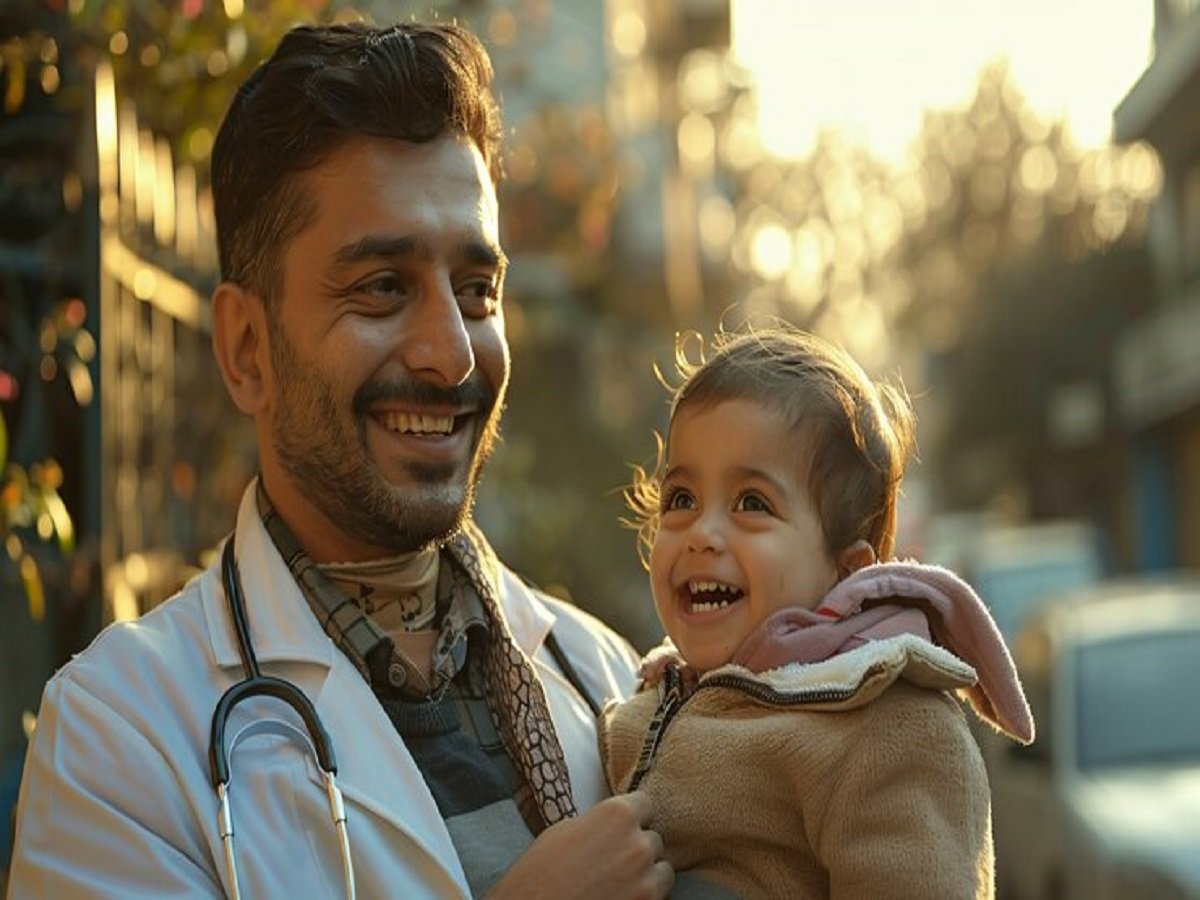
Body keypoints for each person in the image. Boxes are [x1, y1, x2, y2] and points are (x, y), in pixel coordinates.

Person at [7, 21, 674, 900]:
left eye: (477, 291)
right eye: (383, 288)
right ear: (248, 349)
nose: (453, 355)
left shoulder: (606, 679)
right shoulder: (118, 739)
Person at [599, 327, 1035, 899]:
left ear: (846, 572)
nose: (700, 533)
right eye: (681, 499)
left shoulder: (887, 728)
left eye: (752, 504)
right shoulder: (650, 700)